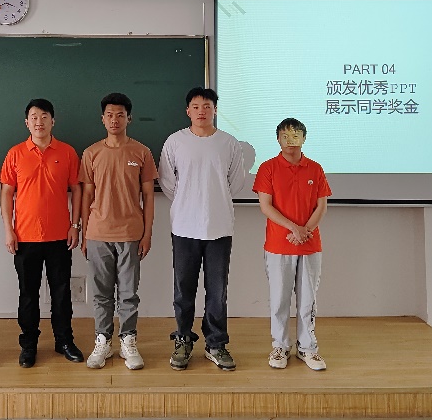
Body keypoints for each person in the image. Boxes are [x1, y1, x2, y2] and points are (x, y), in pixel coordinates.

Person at [158, 87, 245, 371]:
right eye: (196, 106)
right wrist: (189, 201)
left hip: (219, 227)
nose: (201, 111)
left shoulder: (228, 143)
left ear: (215, 110)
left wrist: (212, 200)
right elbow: (167, 182)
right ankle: (183, 339)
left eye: (207, 106)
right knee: (183, 291)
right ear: (188, 111)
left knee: (217, 291)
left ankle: (215, 344)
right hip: (184, 226)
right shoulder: (175, 141)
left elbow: (235, 183)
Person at [0, 98, 84, 368]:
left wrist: (75, 225)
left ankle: (64, 341)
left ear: (53, 121)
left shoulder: (67, 152)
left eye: (44, 116)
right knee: (28, 294)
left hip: (60, 236)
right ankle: (29, 345)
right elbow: (6, 193)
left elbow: (77, 190)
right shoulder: (15, 153)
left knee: (61, 292)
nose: (39, 121)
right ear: (27, 122)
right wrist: (8, 229)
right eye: (34, 117)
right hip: (25, 237)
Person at [80, 93, 157, 370]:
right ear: (103, 119)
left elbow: (149, 197)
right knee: (101, 294)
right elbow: (87, 195)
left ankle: (128, 341)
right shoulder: (91, 153)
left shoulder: (141, 152)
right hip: (98, 233)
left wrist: (147, 234)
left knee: (128, 293)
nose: (115, 120)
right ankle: (103, 340)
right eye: (110, 115)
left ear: (129, 118)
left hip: (131, 233)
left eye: (120, 115)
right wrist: (84, 232)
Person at [253, 118, 331, 371]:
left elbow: (321, 206)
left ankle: (308, 348)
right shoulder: (268, 168)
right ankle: (280, 346)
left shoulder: (315, 168)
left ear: (304, 138)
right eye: (285, 136)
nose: (290, 140)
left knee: (308, 301)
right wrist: (294, 228)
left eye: (296, 135)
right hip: (278, 245)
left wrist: (304, 231)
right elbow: (266, 206)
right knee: (279, 300)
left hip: (309, 245)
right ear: (278, 139)